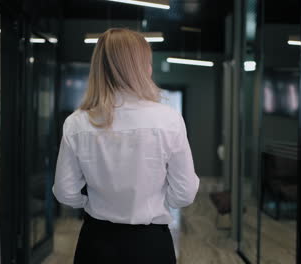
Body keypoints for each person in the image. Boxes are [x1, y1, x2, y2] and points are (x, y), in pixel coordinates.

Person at [53, 28, 200, 264]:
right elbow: (185, 193)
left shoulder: (77, 122)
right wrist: (159, 202)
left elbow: (64, 192)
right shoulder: (168, 119)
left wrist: (90, 202)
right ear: (141, 68)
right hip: (151, 245)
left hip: (96, 243)